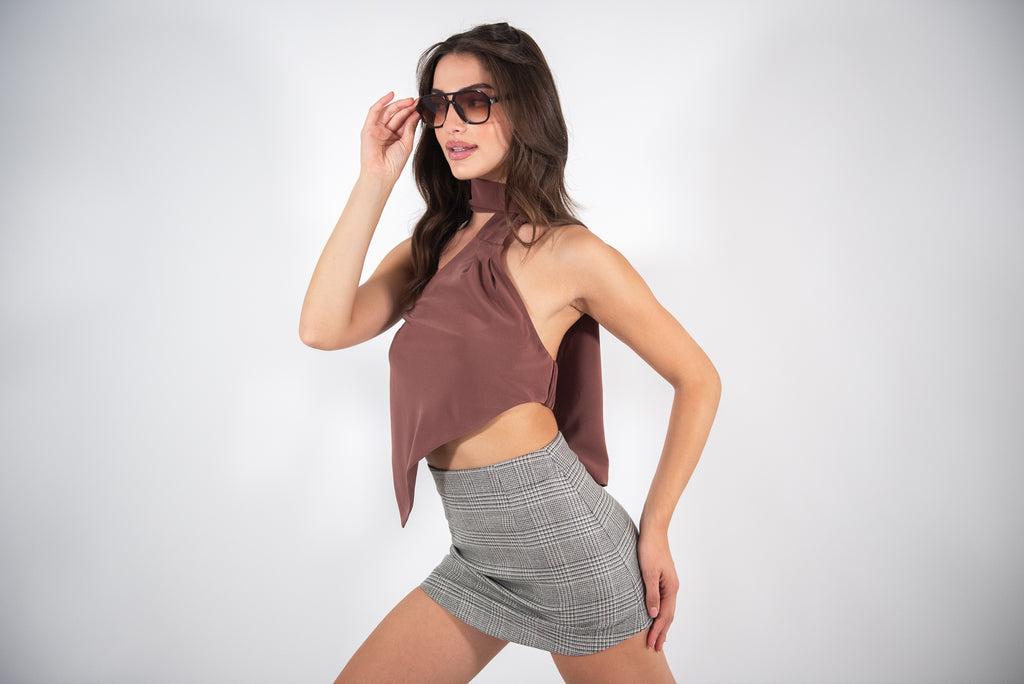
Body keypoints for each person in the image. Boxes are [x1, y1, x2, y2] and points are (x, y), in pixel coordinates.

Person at [300, 22, 720, 684]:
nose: (449, 124)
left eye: (476, 101)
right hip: (479, 555)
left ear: (524, 108)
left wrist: (657, 527)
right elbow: (323, 327)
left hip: (569, 549)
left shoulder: (569, 254)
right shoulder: (431, 247)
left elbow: (698, 378)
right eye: (438, 105)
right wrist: (374, 179)